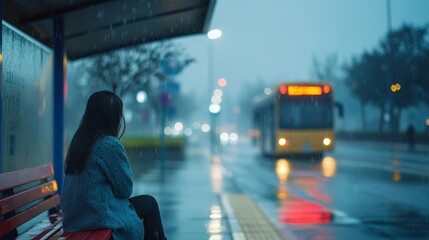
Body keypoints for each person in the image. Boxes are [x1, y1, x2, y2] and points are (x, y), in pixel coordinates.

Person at [61, 91, 167, 240]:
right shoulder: (108, 144)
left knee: (147, 202)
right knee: (150, 204)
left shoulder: (79, 141)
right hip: (95, 219)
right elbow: (125, 190)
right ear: (112, 117)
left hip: (76, 218)